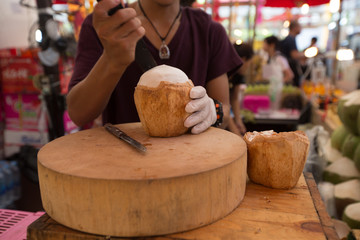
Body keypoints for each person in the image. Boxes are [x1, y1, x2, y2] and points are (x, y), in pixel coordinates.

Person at [66, 0, 242, 134]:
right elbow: (78, 113)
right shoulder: (108, 27)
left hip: (193, 163)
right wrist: (112, 60)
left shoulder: (209, 31)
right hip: (124, 164)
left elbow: (224, 111)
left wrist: (213, 111)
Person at [227, 42, 254, 135]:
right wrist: (235, 131)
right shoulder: (224, 74)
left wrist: (238, 121)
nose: (248, 68)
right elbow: (222, 104)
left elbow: (234, 99)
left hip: (226, 116)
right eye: (249, 64)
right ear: (243, 59)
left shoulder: (238, 75)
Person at [279, 20, 305, 87]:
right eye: (300, 27)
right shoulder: (290, 39)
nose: (301, 29)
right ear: (295, 27)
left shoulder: (290, 38)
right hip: (291, 68)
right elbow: (294, 55)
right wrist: (305, 54)